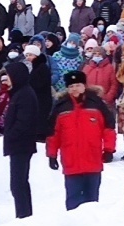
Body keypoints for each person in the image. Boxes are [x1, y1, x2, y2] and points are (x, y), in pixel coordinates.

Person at [46, 71, 117, 209]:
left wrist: (109, 149)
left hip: (93, 160)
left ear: (84, 86)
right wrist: (52, 155)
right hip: (71, 162)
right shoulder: (61, 107)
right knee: (73, 200)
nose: (74, 89)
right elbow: (53, 134)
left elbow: (108, 128)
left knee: (92, 201)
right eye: (71, 86)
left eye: (78, 85)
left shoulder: (96, 104)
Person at [0, 58, 44, 218]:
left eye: (9, 76)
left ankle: (23, 215)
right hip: (19, 144)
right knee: (19, 183)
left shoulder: (24, 94)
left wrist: (10, 135)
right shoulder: (19, 93)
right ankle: (24, 214)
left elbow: (23, 122)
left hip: (21, 145)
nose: (6, 79)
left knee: (18, 184)